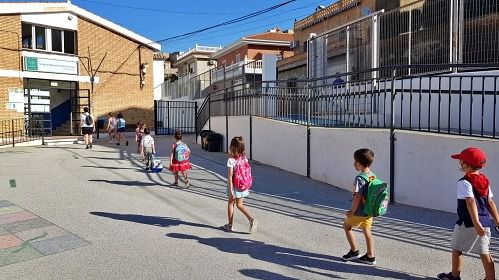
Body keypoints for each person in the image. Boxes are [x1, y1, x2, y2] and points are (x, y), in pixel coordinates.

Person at [438, 147, 499, 280]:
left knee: (457, 248)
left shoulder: (464, 182)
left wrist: (476, 224)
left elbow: (470, 201)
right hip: (485, 223)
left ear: (468, 164)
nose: (459, 162)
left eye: (461, 160)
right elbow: (490, 202)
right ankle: (490, 279)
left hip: (468, 222)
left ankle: (454, 276)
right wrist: (497, 221)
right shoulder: (484, 181)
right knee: (485, 253)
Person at [341, 148, 377, 265]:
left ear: (359, 162)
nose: (354, 163)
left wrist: (351, 211)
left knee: (347, 226)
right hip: (369, 211)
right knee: (367, 232)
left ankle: (354, 252)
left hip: (360, 211)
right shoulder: (372, 175)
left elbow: (357, 197)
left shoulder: (360, 178)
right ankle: (370, 256)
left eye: (355, 161)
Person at [224, 136, 257, 233]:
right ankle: (251, 219)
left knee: (231, 203)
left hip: (234, 186)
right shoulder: (244, 159)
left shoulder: (231, 161)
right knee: (239, 204)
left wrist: (230, 190)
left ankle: (230, 225)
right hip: (242, 186)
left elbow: (230, 176)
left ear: (232, 147)